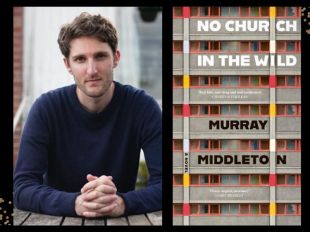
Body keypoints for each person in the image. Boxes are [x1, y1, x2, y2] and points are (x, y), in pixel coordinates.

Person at [13, 12, 162, 218]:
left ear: (115, 58)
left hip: (121, 220)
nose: (91, 70)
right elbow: (22, 188)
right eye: (80, 59)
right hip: (53, 221)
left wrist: (122, 202)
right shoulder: (46, 109)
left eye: (100, 56)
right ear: (67, 65)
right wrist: (75, 203)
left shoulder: (142, 107)